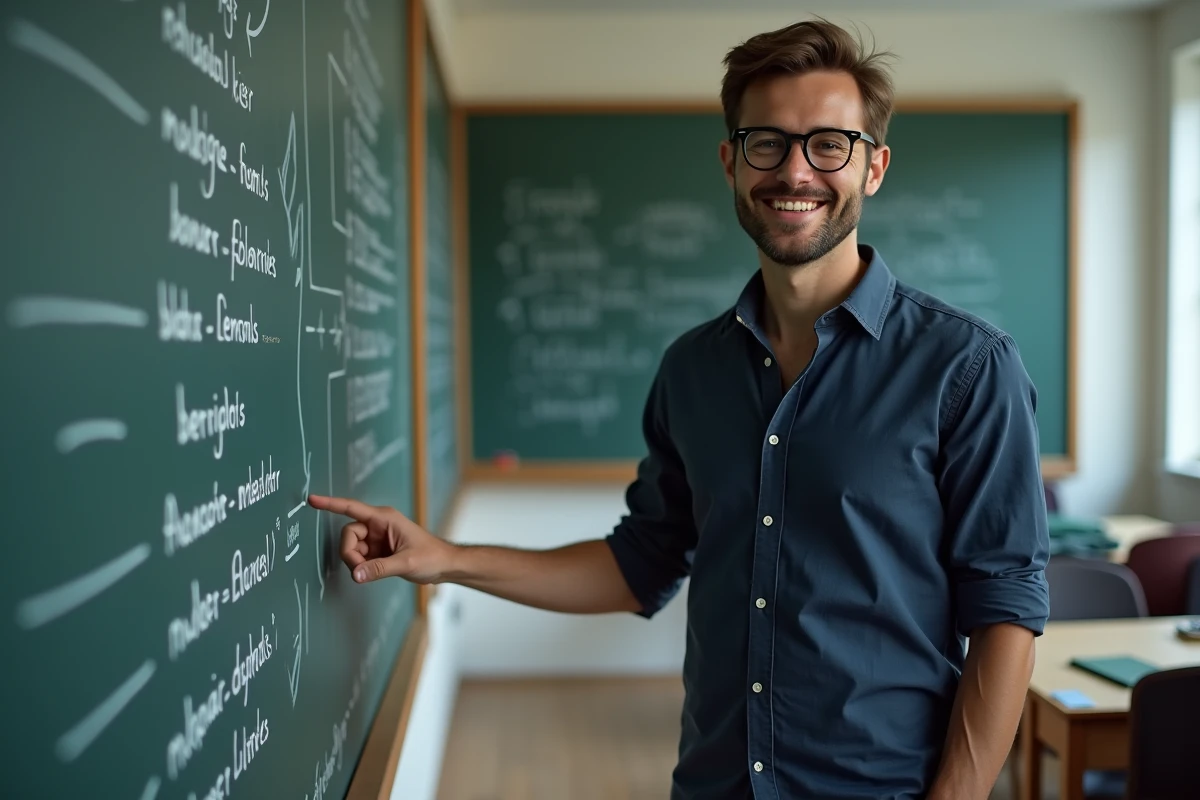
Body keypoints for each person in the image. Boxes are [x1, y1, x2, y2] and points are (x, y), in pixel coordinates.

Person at [310, 18, 1050, 800]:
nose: (795, 171)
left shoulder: (966, 368)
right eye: (767, 143)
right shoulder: (692, 371)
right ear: (731, 161)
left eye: (829, 144)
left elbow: (1006, 613)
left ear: (874, 168)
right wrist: (446, 559)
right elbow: (641, 565)